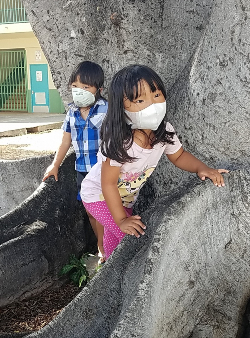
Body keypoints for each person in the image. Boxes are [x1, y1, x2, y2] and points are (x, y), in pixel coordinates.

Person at [80, 64, 229, 260]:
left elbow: (179, 155)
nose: (153, 104)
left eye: (157, 95)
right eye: (141, 100)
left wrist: (202, 168)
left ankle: (107, 264)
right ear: (121, 109)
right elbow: (108, 184)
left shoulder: (164, 131)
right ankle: (110, 268)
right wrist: (122, 219)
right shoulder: (119, 142)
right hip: (97, 195)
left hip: (125, 197)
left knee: (116, 237)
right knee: (128, 235)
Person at [43, 61, 108, 264]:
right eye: (75, 86)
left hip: (104, 171)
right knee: (91, 212)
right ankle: (100, 246)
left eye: (86, 87)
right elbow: (65, 142)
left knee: (106, 210)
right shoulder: (71, 112)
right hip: (82, 170)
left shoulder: (106, 109)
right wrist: (55, 165)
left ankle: (106, 249)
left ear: (99, 90)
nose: (80, 91)